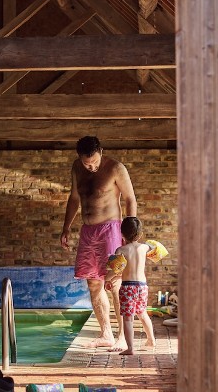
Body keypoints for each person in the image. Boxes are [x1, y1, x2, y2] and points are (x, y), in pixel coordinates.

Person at [60, 136, 136, 349]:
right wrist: (66, 227)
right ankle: (106, 334)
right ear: (79, 158)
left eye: (94, 161)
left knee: (115, 282)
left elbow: (130, 199)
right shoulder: (77, 168)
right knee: (93, 283)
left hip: (111, 229)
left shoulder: (116, 168)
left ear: (101, 151)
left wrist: (129, 235)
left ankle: (123, 335)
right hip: (88, 231)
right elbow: (74, 198)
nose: (91, 166)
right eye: (87, 163)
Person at [104, 216, 156, 355]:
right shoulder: (144, 247)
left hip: (127, 287)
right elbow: (155, 246)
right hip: (142, 286)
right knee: (142, 313)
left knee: (128, 318)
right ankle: (151, 340)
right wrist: (150, 244)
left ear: (122, 234)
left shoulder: (120, 250)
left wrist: (107, 280)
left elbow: (115, 271)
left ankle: (130, 348)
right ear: (140, 234)